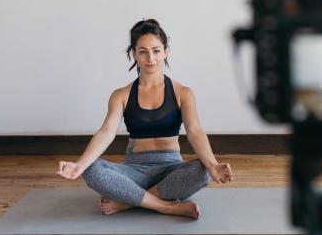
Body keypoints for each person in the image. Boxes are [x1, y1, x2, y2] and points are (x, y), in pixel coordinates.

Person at [56, 19, 233, 219]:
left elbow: (195, 131)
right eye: (143, 51)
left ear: (166, 52)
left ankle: (129, 203)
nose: (151, 58)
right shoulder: (120, 95)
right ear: (134, 54)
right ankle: (166, 206)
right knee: (91, 170)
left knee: (203, 171)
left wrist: (213, 165)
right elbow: (106, 132)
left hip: (171, 169)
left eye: (156, 51)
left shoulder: (183, 93)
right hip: (134, 170)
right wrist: (79, 166)